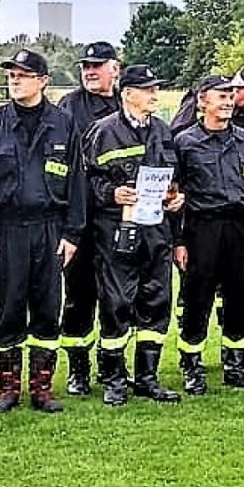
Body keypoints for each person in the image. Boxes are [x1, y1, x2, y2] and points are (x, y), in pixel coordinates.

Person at [0, 49, 82, 414]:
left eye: (23, 74)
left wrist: (72, 234)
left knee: (47, 308)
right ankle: (8, 389)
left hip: (50, 228)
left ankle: (42, 389)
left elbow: (78, 183)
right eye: (11, 75)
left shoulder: (63, 124)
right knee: (8, 308)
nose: (15, 80)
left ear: (43, 81)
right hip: (6, 229)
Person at [82, 64, 186, 404]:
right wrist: (110, 193)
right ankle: (113, 378)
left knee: (155, 302)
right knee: (117, 302)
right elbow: (86, 181)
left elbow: (173, 178)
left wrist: (175, 198)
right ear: (127, 94)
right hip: (116, 231)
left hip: (157, 231)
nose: (155, 94)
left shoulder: (163, 130)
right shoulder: (103, 131)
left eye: (156, 88)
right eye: (147, 89)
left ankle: (147, 377)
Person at [171, 73, 244, 394]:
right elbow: (174, 196)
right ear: (203, 102)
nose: (227, 102)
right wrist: (179, 241)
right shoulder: (184, 142)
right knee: (198, 298)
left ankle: (235, 364)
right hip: (202, 228)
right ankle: (192, 365)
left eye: (230, 96)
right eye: (220, 96)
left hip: (240, 226)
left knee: (240, 296)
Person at [57, 39, 122, 394]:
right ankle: (78, 369)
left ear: (115, 68)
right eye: (85, 67)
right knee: (79, 296)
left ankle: (113, 365)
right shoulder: (70, 107)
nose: (90, 72)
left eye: (97, 66)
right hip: (81, 217)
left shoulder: (126, 104)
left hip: (119, 218)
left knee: (119, 295)